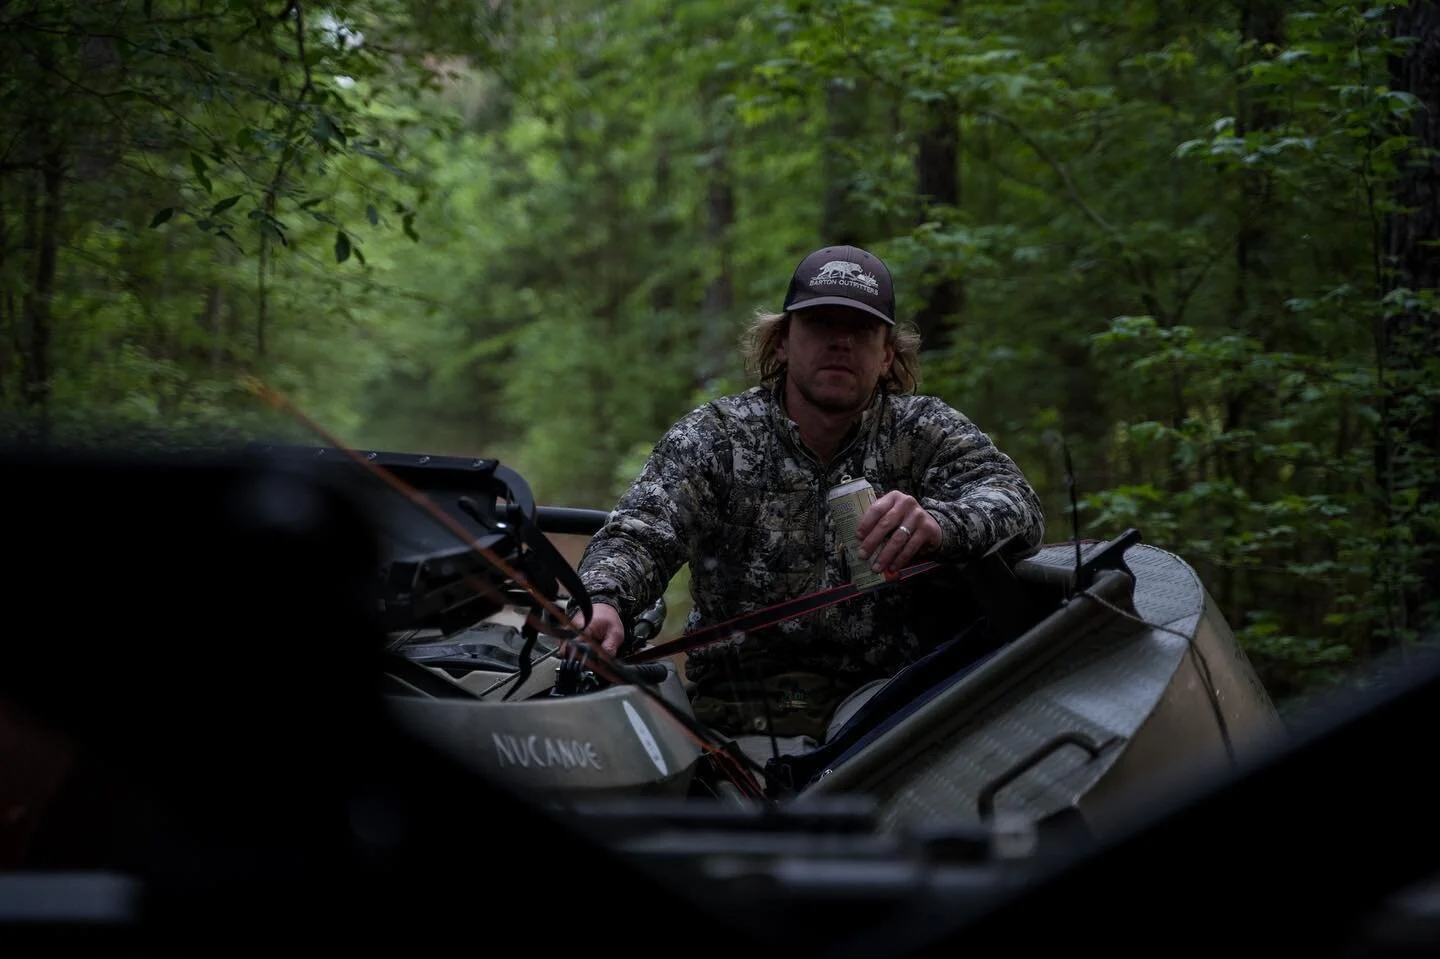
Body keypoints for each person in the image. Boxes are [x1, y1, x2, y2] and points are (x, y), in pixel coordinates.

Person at [567, 244, 1046, 764]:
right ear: (783, 344)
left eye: (861, 330)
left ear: (887, 354)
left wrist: (939, 522)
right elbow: (639, 533)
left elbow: (1016, 503)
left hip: (889, 708)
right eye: (820, 324)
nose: (841, 342)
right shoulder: (716, 436)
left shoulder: (922, 429)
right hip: (735, 711)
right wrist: (605, 599)